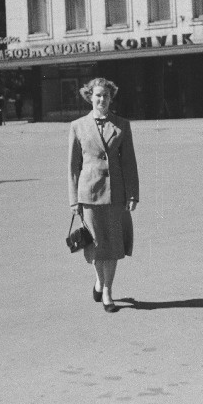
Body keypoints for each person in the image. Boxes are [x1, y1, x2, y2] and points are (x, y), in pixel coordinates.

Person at [68, 77, 139, 313]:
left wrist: (132, 194)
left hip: (115, 194)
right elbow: (73, 166)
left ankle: (107, 290)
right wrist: (73, 200)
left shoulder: (121, 125)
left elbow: (129, 163)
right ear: (90, 96)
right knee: (97, 245)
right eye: (97, 95)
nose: (102, 100)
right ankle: (100, 280)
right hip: (88, 195)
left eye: (106, 96)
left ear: (111, 98)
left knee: (114, 245)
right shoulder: (77, 126)